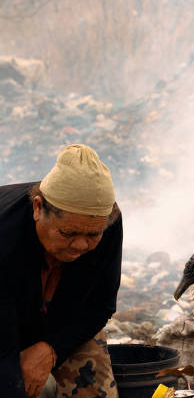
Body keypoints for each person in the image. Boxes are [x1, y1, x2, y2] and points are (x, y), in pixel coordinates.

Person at [0, 144, 122, 398]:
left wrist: (51, 348)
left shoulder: (107, 222)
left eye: (92, 235)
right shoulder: (5, 232)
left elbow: (101, 305)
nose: (80, 245)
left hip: (60, 319)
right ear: (37, 208)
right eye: (67, 233)